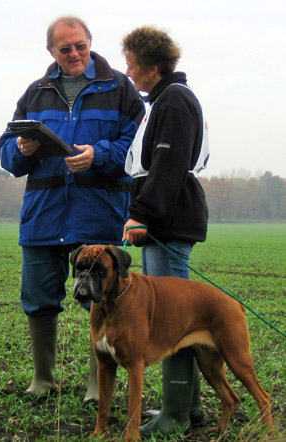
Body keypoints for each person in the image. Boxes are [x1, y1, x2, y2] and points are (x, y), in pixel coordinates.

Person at [0, 16, 144, 398]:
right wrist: (20, 150)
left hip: (97, 214)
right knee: (38, 299)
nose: (75, 53)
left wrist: (99, 154)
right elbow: (6, 153)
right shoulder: (36, 92)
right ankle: (42, 380)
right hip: (43, 217)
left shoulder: (121, 88)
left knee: (103, 300)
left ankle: (98, 385)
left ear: (90, 42)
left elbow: (135, 147)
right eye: (65, 48)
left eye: (80, 45)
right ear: (52, 52)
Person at [121, 26, 209, 436]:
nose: (129, 72)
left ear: (152, 68)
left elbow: (168, 166)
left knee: (174, 320)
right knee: (178, 318)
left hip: (167, 222)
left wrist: (142, 214)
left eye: (132, 65)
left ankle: (173, 415)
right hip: (166, 220)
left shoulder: (173, 101)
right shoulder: (165, 99)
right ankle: (187, 410)